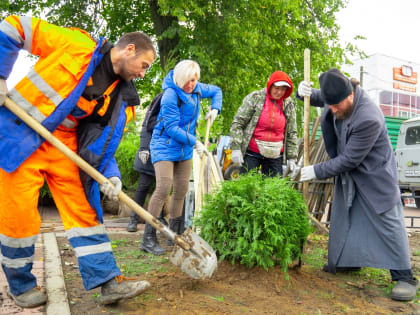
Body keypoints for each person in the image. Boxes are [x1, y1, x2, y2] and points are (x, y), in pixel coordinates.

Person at [0, 15, 156, 307]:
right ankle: (21, 288)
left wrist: (110, 176)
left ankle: (108, 282)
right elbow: (14, 27)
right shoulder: (76, 45)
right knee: (18, 216)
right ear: (130, 50)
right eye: (144, 66)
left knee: (85, 213)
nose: (143, 74)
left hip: (64, 148)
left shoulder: (120, 100)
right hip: (22, 137)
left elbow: (103, 145)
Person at [298, 68, 419, 301]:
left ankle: (404, 276)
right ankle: (348, 262)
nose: (332, 110)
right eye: (330, 105)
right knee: (347, 216)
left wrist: (315, 170)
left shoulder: (368, 117)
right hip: (352, 174)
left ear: (351, 95)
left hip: (374, 175)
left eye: (336, 106)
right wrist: (306, 94)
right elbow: (322, 97)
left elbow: (349, 160)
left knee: (387, 219)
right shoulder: (338, 95)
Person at [141, 59, 222, 255]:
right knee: (163, 187)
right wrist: (195, 141)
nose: (190, 85)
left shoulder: (197, 88)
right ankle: (148, 237)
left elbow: (217, 91)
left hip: (184, 149)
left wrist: (215, 109)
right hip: (165, 145)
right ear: (178, 78)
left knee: (182, 189)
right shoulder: (170, 95)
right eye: (187, 81)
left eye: (194, 80)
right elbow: (171, 128)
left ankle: (174, 234)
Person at [229, 71, 298, 177]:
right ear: (270, 86)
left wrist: (292, 157)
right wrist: (236, 148)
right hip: (252, 152)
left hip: (275, 154)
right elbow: (238, 123)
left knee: (273, 190)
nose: (279, 92)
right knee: (246, 187)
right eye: (277, 88)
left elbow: (292, 132)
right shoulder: (255, 98)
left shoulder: (288, 104)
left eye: (283, 89)